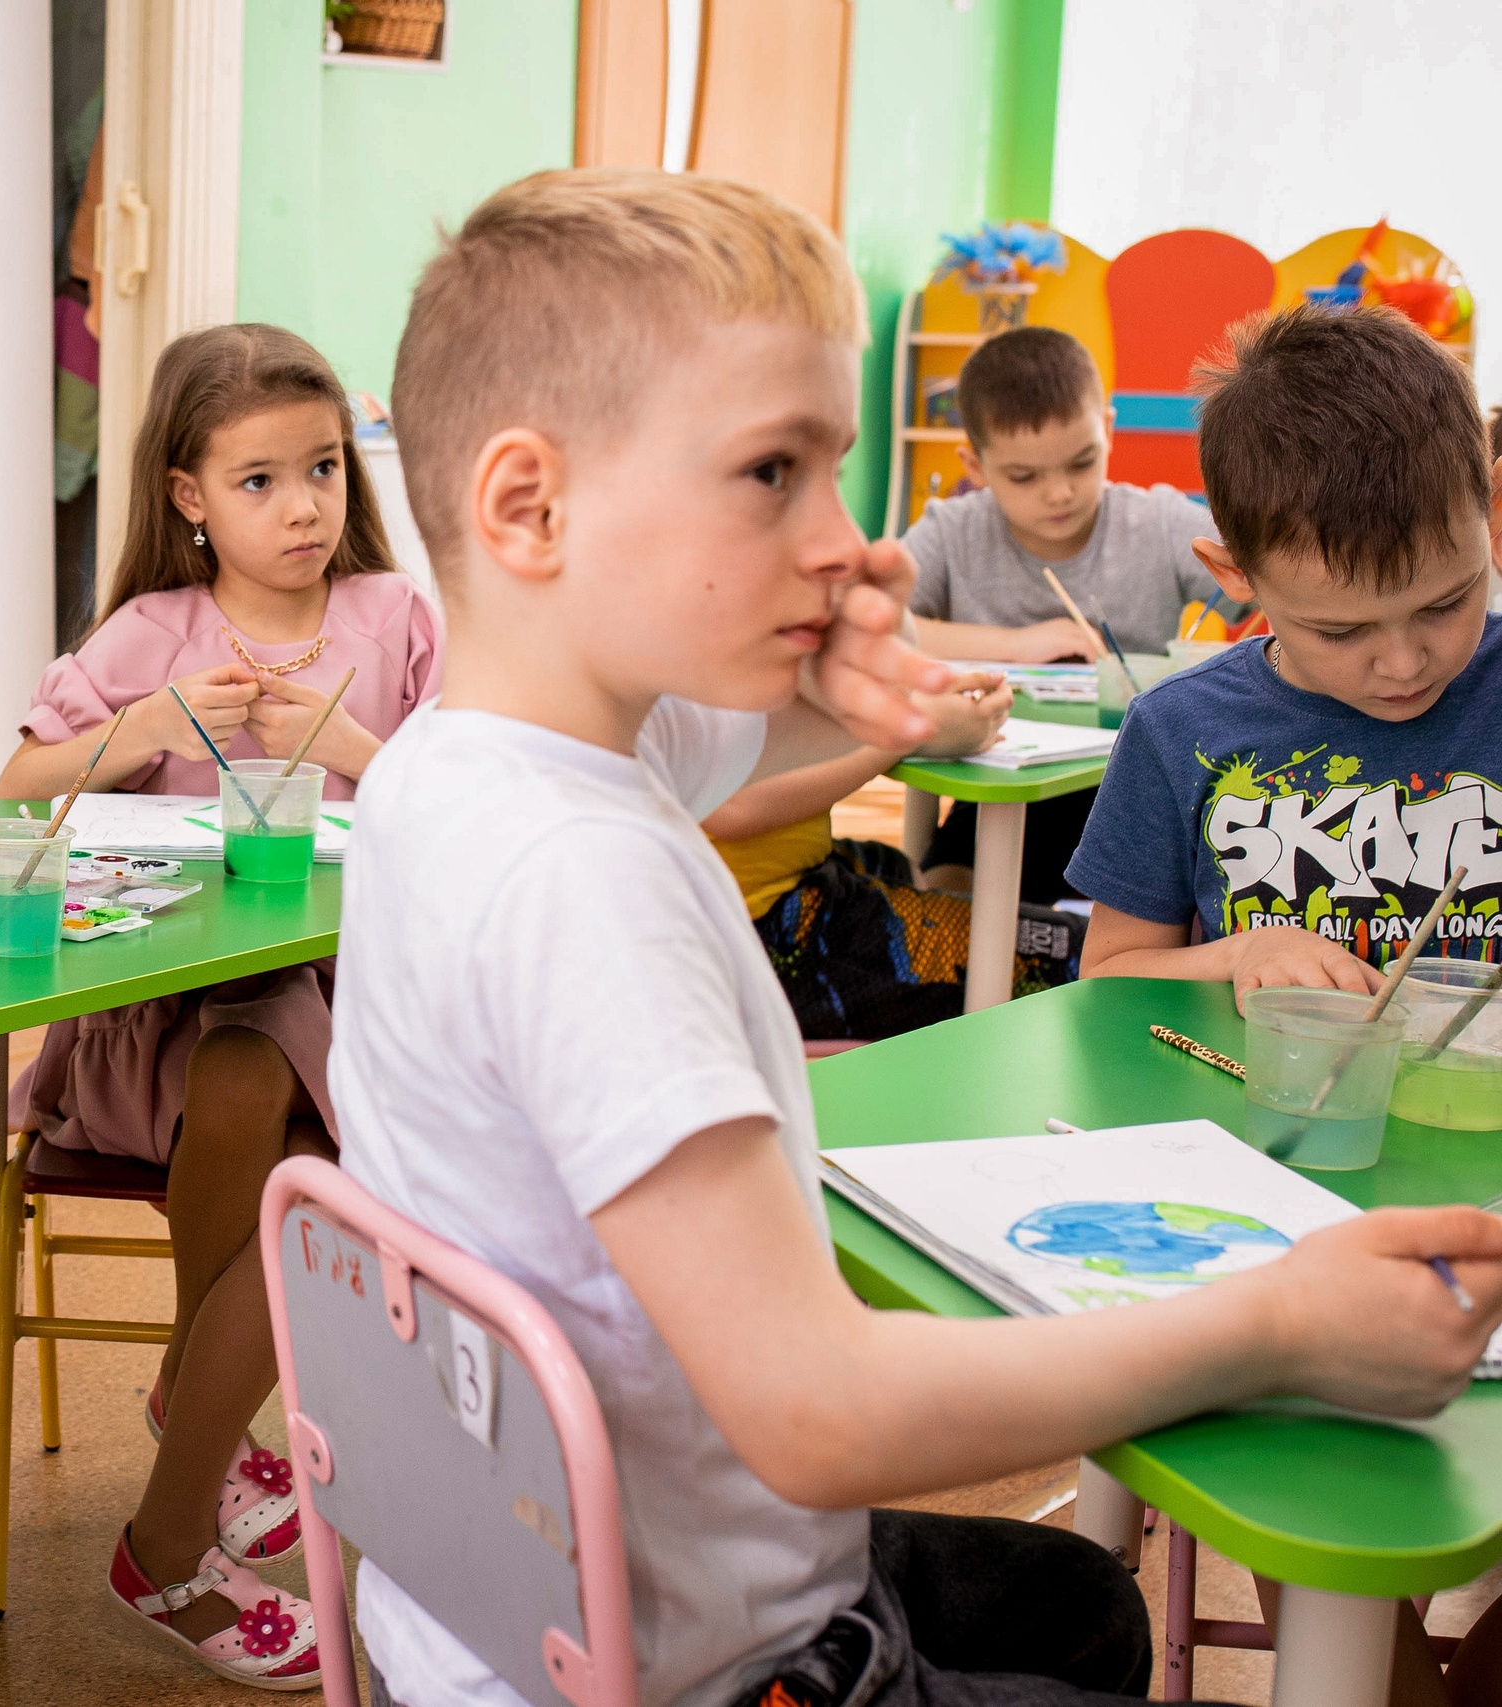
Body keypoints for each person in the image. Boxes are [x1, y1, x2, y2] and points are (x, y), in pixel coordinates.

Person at [333, 168, 1502, 1707]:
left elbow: (723, 747)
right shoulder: (579, 882)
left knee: (1080, 1605)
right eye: (775, 474)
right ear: (530, 505)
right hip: (702, 1660)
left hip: (505, 1602)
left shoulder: (463, 757)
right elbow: (820, 1410)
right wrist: (1269, 1324)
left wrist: (839, 679)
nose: (850, 541)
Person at [0, 322, 439, 1689]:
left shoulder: (396, 619)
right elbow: (14, 792)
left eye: (324, 467)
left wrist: (344, 743)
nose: (305, 505)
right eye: (259, 481)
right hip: (152, 1028)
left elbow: (466, 801)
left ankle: (185, 1434)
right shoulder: (153, 632)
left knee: (280, 1116)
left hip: (330, 1002)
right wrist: (153, 725)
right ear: (189, 496)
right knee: (265, 1113)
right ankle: (187, 1487)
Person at [1071, 304, 1502, 1006]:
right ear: (1236, 576)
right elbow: (1109, 971)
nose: (1402, 662)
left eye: (1445, 604)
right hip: (1254, 1107)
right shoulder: (1178, 730)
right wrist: (1243, 951)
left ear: (1494, 513)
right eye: (1341, 632)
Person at [908, 327, 1234, 900]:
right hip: (998, 790)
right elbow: (879, 627)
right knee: (946, 894)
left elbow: (1264, 582)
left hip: (1135, 796)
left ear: (1108, 431)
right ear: (975, 465)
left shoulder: (1156, 522)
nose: (1059, 493)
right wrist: (1017, 645)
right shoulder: (953, 530)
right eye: (1024, 476)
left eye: (1082, 463)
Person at [701, 676, 1087, 1038]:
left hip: (763, 881)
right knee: (1085, 960)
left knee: (899, 867)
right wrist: (904, 730)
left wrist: (905, 703)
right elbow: (732, 803)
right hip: (750, 937)